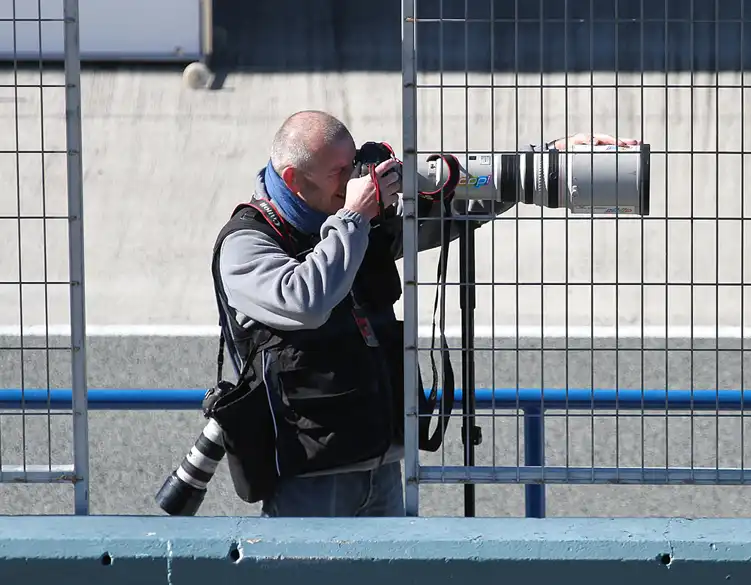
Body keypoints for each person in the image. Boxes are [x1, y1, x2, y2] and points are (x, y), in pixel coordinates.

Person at [211, 109, 640, 518]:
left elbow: (461, 202)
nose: (355, 180)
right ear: (293, 178)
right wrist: (354, 217)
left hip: (380, 464)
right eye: (338, 172)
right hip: (309, 479)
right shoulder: (248, 242)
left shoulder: (356, 220)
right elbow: (305, 302)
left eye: (354, 162)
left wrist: (548, 160)